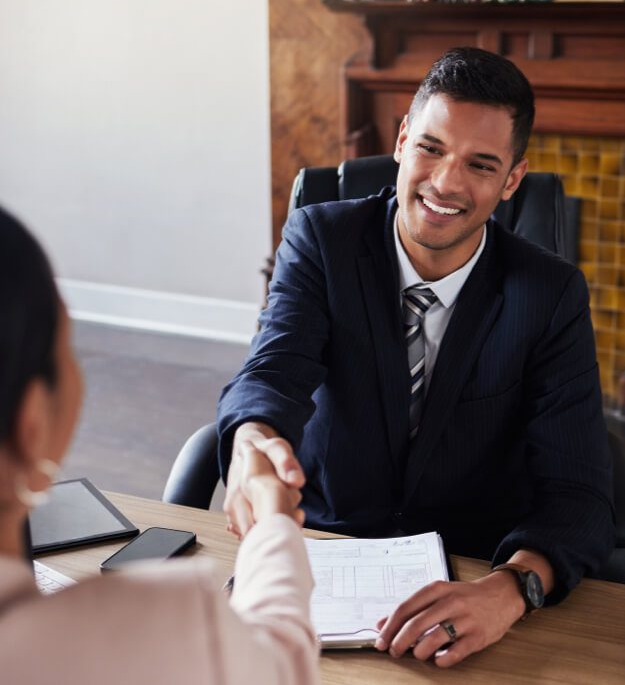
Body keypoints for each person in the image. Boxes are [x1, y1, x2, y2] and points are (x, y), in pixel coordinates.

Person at [217, 48, 614, 667]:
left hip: (470, 573)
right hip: (326, 548)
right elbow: (273, 371)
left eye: (481, 164)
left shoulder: (550, 293)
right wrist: (252, 440)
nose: (447, 183)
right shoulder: (321, 239)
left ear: (512, 180)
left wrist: (509, 590)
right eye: (431, 148)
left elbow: (581, 492)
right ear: (402, 140)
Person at [0, 208, 318, 684]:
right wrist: (271, 524)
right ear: (31, 426)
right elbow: (282, 658)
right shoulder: (163, 636)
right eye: (69, 346)